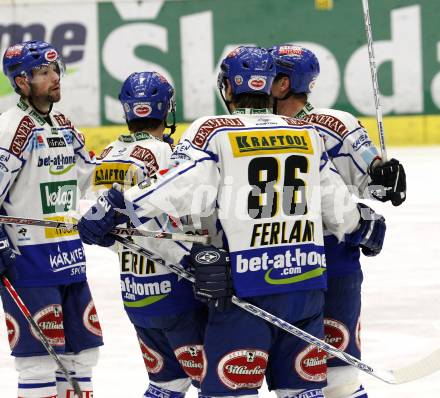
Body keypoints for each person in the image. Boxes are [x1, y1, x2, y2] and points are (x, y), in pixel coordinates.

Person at [76, 46, 386, 398]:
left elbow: (176, 186)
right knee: (302, 392)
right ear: (269, 85)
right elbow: (336, 204)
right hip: (305, 288)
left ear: (227, 89)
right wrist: (363, 226)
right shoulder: (307, 134)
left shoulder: (215, 131)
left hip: (246, 290)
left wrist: (117, 205)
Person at [269, 44, 406, 398]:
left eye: (266, 76)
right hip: (274, 258)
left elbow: (377, 186)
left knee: (338, 377)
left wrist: (384, 176)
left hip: (332, 256)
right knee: (290, 376)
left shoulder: (336, 125)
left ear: (283, 83)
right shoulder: (252, 128)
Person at [89, 71, 207, 398]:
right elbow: (186, 220)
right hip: (178, 290)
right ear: (166, 107)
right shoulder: (167, 153)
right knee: (213, 384)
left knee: (166, 385)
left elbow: (102, 228)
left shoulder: (108, 155)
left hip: (136, 291)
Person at [0, 40, 101, 398]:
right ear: (22, 82)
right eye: (43, 73)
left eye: (55, 70)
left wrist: (124, 179)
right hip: (28, 261)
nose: (55, 78)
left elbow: (89, 175)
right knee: (39, 360)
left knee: (83, 355)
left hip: (68, 255)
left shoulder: (62, 123)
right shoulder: (12, 128)